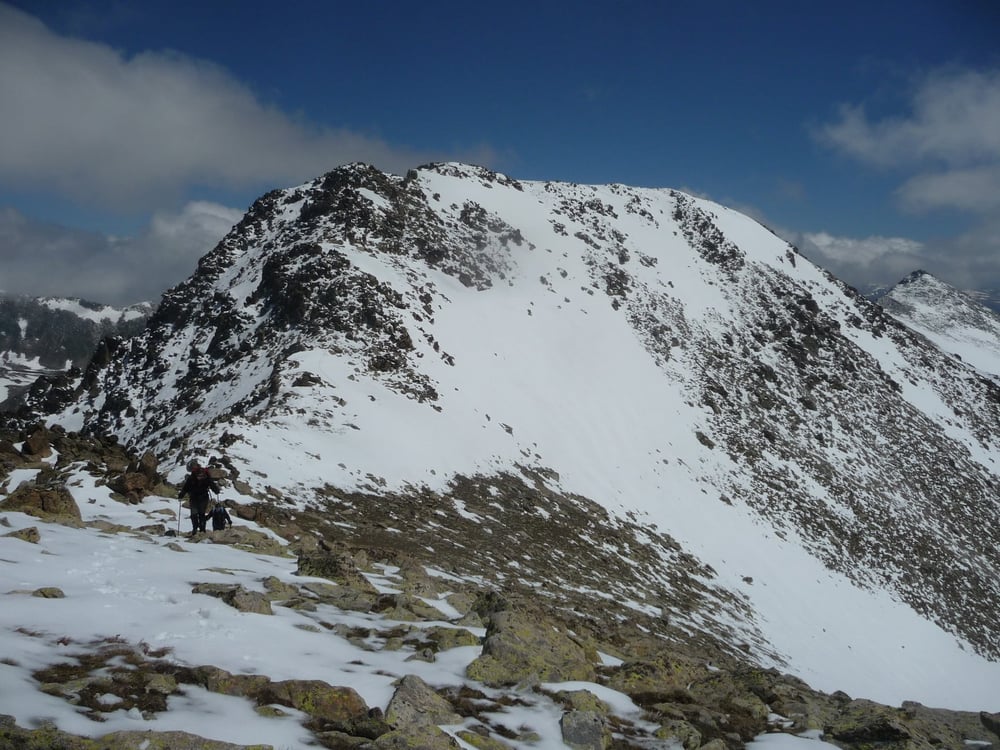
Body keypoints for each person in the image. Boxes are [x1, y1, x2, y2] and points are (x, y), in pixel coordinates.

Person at [178, 459, 220, 536]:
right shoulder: (191, 478)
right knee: (194, 514)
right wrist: (181, 494)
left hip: (203, 498)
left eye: (201, 476)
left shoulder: (206, 478)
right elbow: (186, 487)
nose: (200, 477)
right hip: (194, 498)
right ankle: (195, 528)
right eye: (199, 476)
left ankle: (202, 529)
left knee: (201, 514)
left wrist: (216, 490)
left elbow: (212, 485)